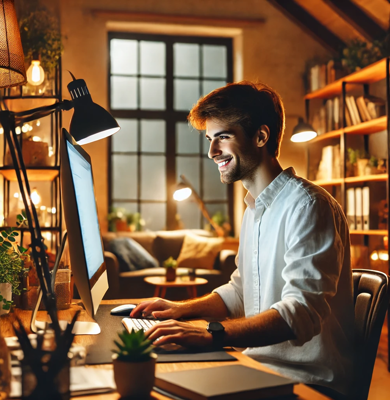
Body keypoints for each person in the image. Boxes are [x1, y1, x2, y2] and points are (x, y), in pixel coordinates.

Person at [131, 81, 354, 397]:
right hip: (258, 368)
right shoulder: (254, 208)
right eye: (210, 139)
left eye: (222, 137)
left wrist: (213, 334)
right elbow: (240, 291)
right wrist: (181, 310)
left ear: (261, 136)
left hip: (308, 381)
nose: (211, 152)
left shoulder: (308, 205)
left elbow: (301, 311)